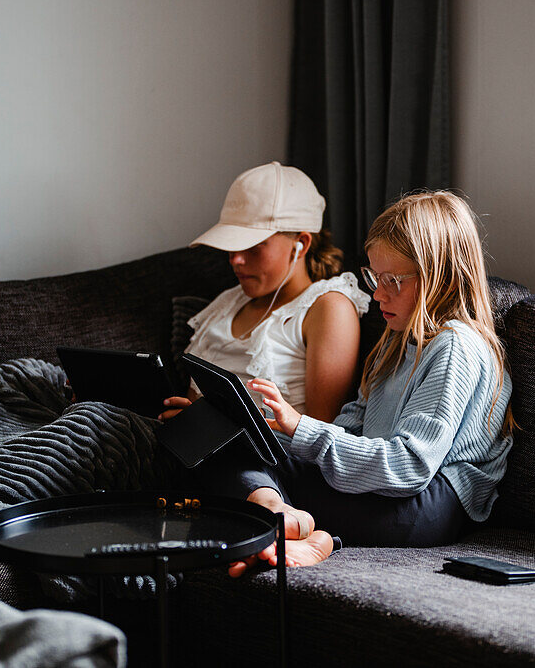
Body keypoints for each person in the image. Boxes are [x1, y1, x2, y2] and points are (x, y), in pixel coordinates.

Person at [224, 190, 516, 575]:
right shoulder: (396, 340)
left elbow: (411, 467)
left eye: (393, 280)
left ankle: (276, 523)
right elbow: (352, 428)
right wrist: (272, 433)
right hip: (386, 484)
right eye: (374, 277)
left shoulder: (454, 346)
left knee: (247, 469)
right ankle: (286, 526)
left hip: (434, 501)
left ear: (440, 277)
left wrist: (303, 428)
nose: (378, 294)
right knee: (234, 449)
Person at [161, 161, 369, 425]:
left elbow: (320, 432)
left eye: (253, 247)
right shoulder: (228, 302)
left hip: (265, 460)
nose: (235, 259)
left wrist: (218, 421)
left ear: (301, 244)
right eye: (232, 246)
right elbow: (191, 401)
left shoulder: (327, 307)